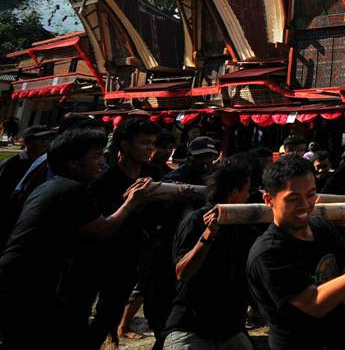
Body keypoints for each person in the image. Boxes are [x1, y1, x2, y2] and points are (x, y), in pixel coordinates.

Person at [0, 128, 153, 348]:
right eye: (96, 156)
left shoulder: (50, 186)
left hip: (20, 276)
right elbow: (103, 229)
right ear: (73, 163)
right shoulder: (73, 190)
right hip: (29, 281)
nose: (102, 162)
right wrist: (131, 203)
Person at [247, 155, 345, 349]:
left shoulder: (321, 227)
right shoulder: (268, 253)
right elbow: (315, 303)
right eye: (293, 198)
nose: (305, 205)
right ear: (269, 200)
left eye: (310, 195)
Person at [84, 117, 163, 348]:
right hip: (99, 254)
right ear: (125, 145)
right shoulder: (103, 180)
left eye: (153, 143)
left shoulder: (153, 175)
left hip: (132, 256)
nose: (150, 148)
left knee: (111, 310)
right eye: (144, 143)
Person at [164, 158, 259, 349]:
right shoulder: (196, 221)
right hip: (191, 327)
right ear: (233, 193)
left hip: (230, 329)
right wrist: (209, 234)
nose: (249, 196)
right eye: (246, 190)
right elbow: (182, 272)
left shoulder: (242, 224)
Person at [0, 124, 55, 241]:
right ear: (28, 142)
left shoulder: (45, 163)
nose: (46, 143)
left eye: (47, 139)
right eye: (41, 140)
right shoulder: (12, 164)